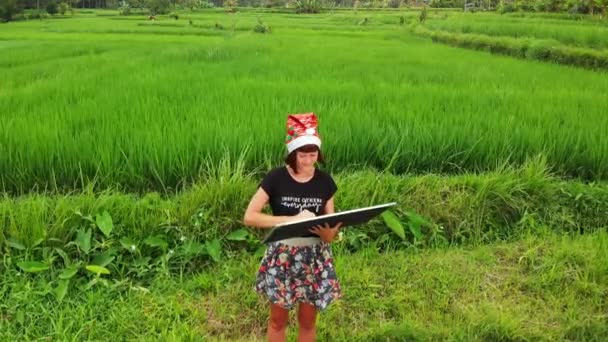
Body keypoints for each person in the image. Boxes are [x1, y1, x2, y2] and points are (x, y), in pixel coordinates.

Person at [243, 112, 343, 342]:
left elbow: (333, 223)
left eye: (313, 154)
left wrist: (330, 235)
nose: (309, 161)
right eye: (303, 155)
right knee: (278, 321)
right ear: (292, 154)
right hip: (283, 256)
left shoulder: (325, 182)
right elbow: (250, 216)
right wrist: (290, 220)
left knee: (308, 322)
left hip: (315, 256)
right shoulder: (275, 178)